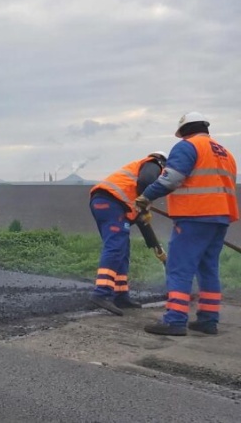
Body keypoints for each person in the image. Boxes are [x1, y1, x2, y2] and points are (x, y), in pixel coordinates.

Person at [136, 112, 238, 336]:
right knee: (208, 268)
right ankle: (208, 320)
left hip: (195, 215)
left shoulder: (187, 146)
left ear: (183, 131)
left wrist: (146, 196)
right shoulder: (225, 153)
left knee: (179, 268)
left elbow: (171, 178)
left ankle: (175, 320)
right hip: (221, 217)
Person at [88, 151, 168, 315]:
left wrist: (156, 247)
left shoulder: (136, 183)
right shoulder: (154, 164)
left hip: (108, 203)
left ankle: (121, 296)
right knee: (115, 247)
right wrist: (146, 205)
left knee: (122, 249)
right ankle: (101, 293)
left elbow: (143, 224)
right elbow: (146, 182)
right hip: (110, 202)